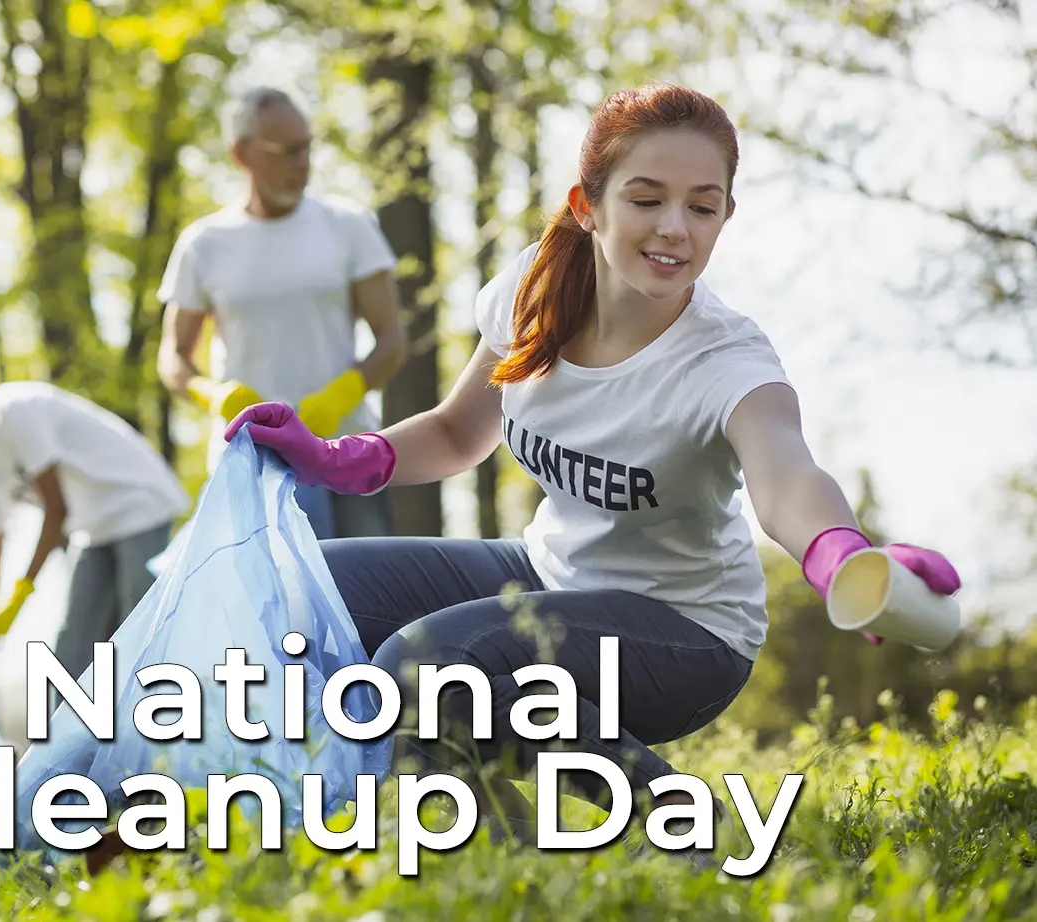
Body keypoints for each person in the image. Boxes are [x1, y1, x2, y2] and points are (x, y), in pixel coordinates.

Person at [224, 84, 962, 859]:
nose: (675, 228)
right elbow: (454, 432)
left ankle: (687, 825)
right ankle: (503, 850)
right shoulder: (535, 289)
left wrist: (838, 552)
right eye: (647, 199)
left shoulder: (726, 361)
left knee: (422, 665)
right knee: (296, 592)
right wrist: (332, 455)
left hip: (686, 635)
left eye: (703, 207)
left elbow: (786, 478)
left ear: (725, 217)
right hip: (548, 574)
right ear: (588, 204)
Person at [156, 85, 408, 540]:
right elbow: (173, 358)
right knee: (269, 608)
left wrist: (341, 396)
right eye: (287, 151)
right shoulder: (204, 244)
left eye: (307, 148)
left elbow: (392, 340)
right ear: (241, 153)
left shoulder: (348, 226)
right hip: (250, 462)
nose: (303, 164)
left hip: (344, 457)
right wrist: (213, 394)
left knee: (368, 601)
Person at [0, 375, 190, 682]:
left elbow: (56, 509)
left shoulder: (13, 411)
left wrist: (23, 590)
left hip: (137, 501)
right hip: (92, 527)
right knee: (74, 642)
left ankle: (158, 720)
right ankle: (74, 729)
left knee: (138, 627)